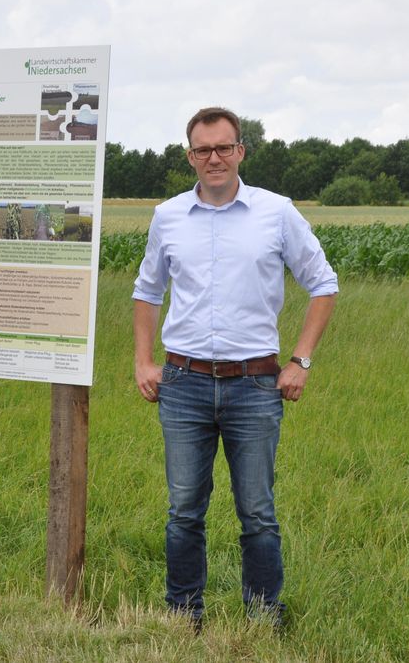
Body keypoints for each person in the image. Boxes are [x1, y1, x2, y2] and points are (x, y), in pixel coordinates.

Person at [133, 107, 338, 628]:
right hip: (183, 384)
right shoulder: (168, 216)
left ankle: (264, 617)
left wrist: (301, 360)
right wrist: (143, 360)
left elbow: (323, 283)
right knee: (184, 510)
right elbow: (147, 290)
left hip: (255, 384)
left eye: (224, 147)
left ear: (240, 151)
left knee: (257, 512)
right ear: (190, 157)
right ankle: (183, 615)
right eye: (203, 150)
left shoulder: (276, 212)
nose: (214, 158)